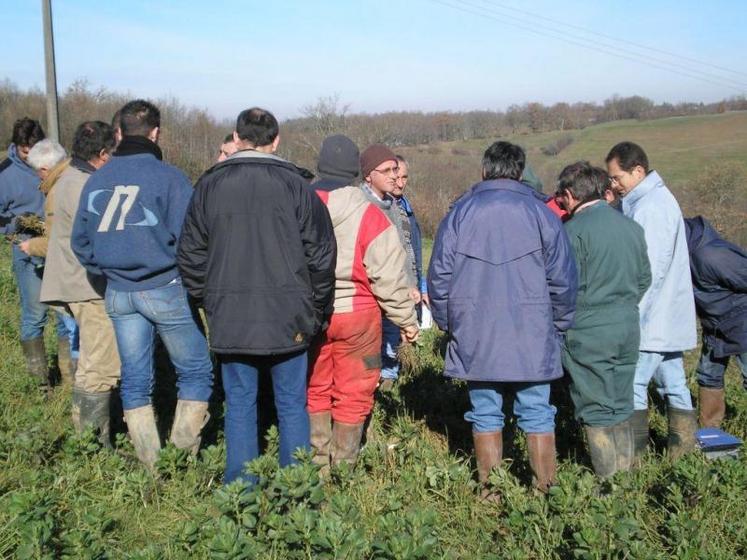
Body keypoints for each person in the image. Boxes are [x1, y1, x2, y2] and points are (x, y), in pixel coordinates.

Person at [178, 107, 337, 484]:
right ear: (276, 140)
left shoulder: (209, 186)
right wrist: (316, 311)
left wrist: (209, 300)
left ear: (236, 138)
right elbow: (322, 255)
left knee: (239, 405)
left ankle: (240, 491)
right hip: (290, 316)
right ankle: (295, 491)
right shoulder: (297, 186)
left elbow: (189, 254)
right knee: (291, 405)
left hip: (230, 316)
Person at [428, 141, 577, 498]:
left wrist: (451, 324)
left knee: (485, 412)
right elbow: (564, 281)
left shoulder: (460, 214)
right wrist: (557, 326)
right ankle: (545, 491)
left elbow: (439, 278)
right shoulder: (543, 215)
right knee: (538, 411)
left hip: (476, 332)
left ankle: (490, 491)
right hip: (533, 333)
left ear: (484, 170)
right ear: (520, 171)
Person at [72, 100, 213, 469]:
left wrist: (109, 271)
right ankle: (181, 461)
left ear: (118, 133)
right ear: (156, 133)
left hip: (118, 292)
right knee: (196, 371)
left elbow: (80, 244)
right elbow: (192, 239)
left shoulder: (96, 179)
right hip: (165, 286)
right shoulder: (168, 177)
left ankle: (150, 463)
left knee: (135, 380)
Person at [307, 151, 419, 470]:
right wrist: (406, 320)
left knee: (315, 387)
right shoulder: (369, 214)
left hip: (311, 312)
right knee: (354, 390)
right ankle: (343, 467)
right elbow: (388, 276)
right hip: (357, 316)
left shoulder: (298, 203)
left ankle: (317, 465)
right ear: (356, 172)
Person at [556, 162, 651, 478]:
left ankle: (608, 486)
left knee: (596, 407)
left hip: (589, 328)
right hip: (627, 324)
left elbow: (564, 287)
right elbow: (644, 278)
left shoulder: (572, 232)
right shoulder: (631, 227)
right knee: (622, 402)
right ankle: (627, 477)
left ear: (570, 195)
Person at [606, 141, 698, 460]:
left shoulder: (652, 208)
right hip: (665, 315)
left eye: (617, 178)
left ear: (638, 171)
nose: (613, 185)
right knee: (674, 383)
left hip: (651, 318)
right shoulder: (650, 200)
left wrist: (633, 316)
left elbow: (650, 270)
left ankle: (634, 456)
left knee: (632, 382)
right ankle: (682, 454)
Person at [37, 122, 121, 445]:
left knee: (91, 359)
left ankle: (91, 438)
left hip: (73, 283)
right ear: (102, 155)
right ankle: (92, 445)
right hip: (86, 287)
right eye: (112, 153)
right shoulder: (86, 185)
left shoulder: (70, 178)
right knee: (98, 365)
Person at [0, 118, 71, 391]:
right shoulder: (5, 173)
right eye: (23, 149)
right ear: (16, 146)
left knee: (66, 314)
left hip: (58, 246)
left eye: (33, 148)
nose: (28, 154)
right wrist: (14, 223)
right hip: (27, 248)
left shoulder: (57, 163)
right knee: (34, 315)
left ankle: (70, 377)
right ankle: (41, 382)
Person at [358, 145, 419, 391]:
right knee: (370, 353)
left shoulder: (393, 205)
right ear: (368, 175)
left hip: (394, 292)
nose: (394, 176)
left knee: (391, 343)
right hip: (368, 296)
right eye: (388, 170)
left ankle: (386, 388)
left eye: (396, 169)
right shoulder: (360, 204)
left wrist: (411, 284)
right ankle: (370, 391)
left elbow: (404, 250)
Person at [23, 139, 79, 384]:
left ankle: (77, 385)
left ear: (44, 169)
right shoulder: (77, 176)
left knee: (75, 329)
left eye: (37, 171)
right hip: (81, 273)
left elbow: (58, 241)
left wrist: (31, 246)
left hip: (72, 275)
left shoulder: (59, 190)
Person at [684, 216, 747, 428]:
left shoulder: (713, 255)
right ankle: (711, 432)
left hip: (742, 320)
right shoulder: (682, 256)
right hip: (715, 325)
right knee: (708, 375)